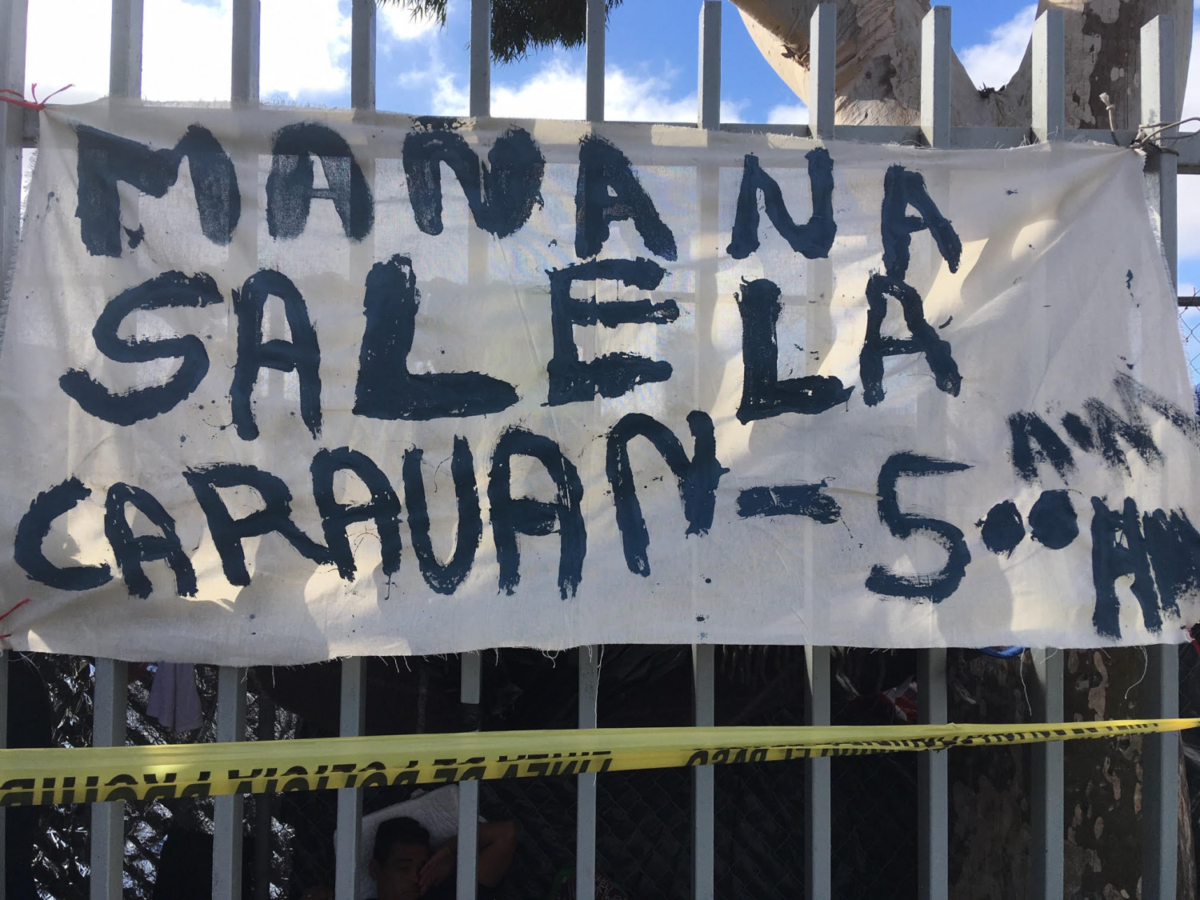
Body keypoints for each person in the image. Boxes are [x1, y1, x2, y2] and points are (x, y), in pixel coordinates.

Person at [367, 816, 516, 900]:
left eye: (423, 868)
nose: (415, 878)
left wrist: (450, 850)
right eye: (403, 868)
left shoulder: (450, 894)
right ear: (375, 870)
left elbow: (504, 834)